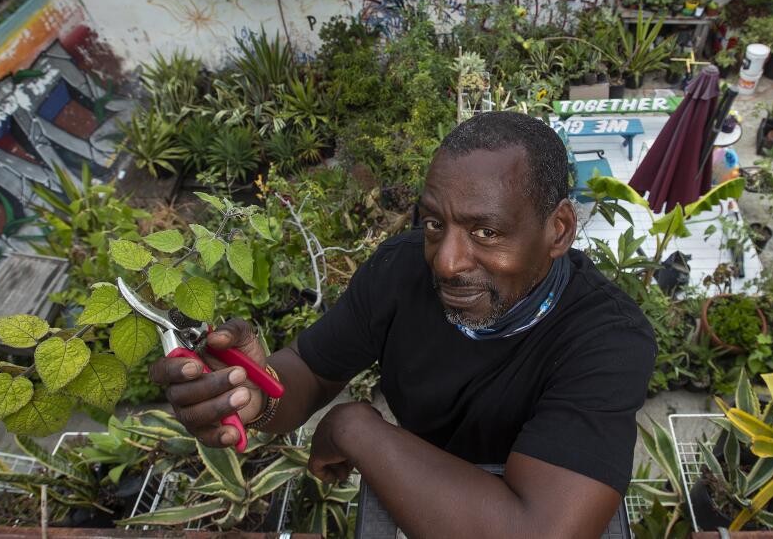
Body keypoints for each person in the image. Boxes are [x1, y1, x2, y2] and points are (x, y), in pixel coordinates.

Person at [150, 111, 657, 538]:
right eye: (435, 223)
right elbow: (310, 368)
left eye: (486, 231)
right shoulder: (401, 271)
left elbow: (535, 529)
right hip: (418, 491)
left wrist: (356, 428)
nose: (447, 262)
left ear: (558, 230)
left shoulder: (606, 340)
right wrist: (250, 396)